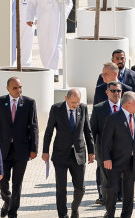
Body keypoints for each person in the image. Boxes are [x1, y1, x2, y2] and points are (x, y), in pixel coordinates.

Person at [0, 77, 38, 218]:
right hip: (2, 149)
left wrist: (34, 148)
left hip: (22, 150)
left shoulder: (29, 103)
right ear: (8, 89)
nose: (18, 90)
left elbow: (34, 126)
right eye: (15, 88)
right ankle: (7, 200)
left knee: (18, 183)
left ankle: (12, 213)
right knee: (2, 179)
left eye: (20, 87)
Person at [43, 89, 94, 217]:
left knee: (80, 188)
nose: (75, 105)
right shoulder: (56, 109)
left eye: (78, 102)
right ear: (66, 98)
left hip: (79, 154)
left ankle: (75, 208)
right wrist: (45, 151)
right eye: (73, 102)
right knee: (61, 189)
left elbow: (88, 131)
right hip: (61, 154)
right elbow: (49, 131)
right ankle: (62, 215)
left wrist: (91, 151)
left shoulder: (82, 108)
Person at [96, 92, 135, 218]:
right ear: (128, 103)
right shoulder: (113, 118)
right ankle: (110, 213)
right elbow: (105, 141)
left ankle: (126, 215)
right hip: (115, 161)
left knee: (129, 192)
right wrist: (106, 158)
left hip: (132, 161)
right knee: (112, 190)